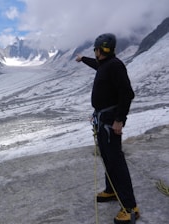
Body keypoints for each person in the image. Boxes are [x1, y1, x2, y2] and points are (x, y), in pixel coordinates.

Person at [76, 33, 139, 224]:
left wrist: (119, 120)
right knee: (107, 156)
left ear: (99, 49)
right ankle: (111, 190)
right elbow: (97, 66)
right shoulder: (106, 64)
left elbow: (127, 93)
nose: (96, 54)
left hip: (111, 121)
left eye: (96, 50)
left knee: (116, 161)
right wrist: (83, 59)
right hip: (103, 118)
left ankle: (130, 207)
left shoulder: (114, 65)